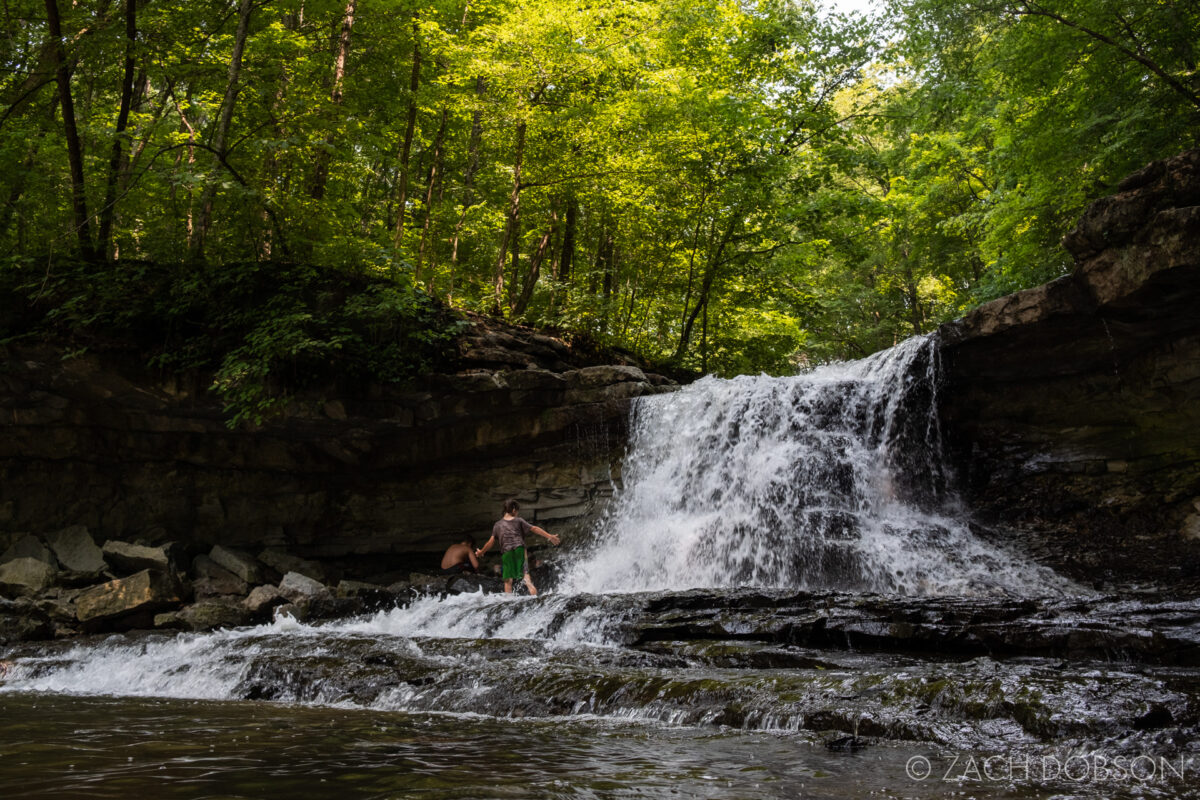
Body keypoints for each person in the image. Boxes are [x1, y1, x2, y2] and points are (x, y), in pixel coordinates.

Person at [475, 498, 560, 595]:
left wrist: (481, 552)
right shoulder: (519, 520)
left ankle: (509, 603)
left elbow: (491, 542)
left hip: (507, 552)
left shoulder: (497, 525)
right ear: (514, 510)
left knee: (508, 581)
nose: (517, 514)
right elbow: (534, 528)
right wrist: (549, 536)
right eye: (517, 511)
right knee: (526, 577)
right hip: (519, 549)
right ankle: (535, 599)